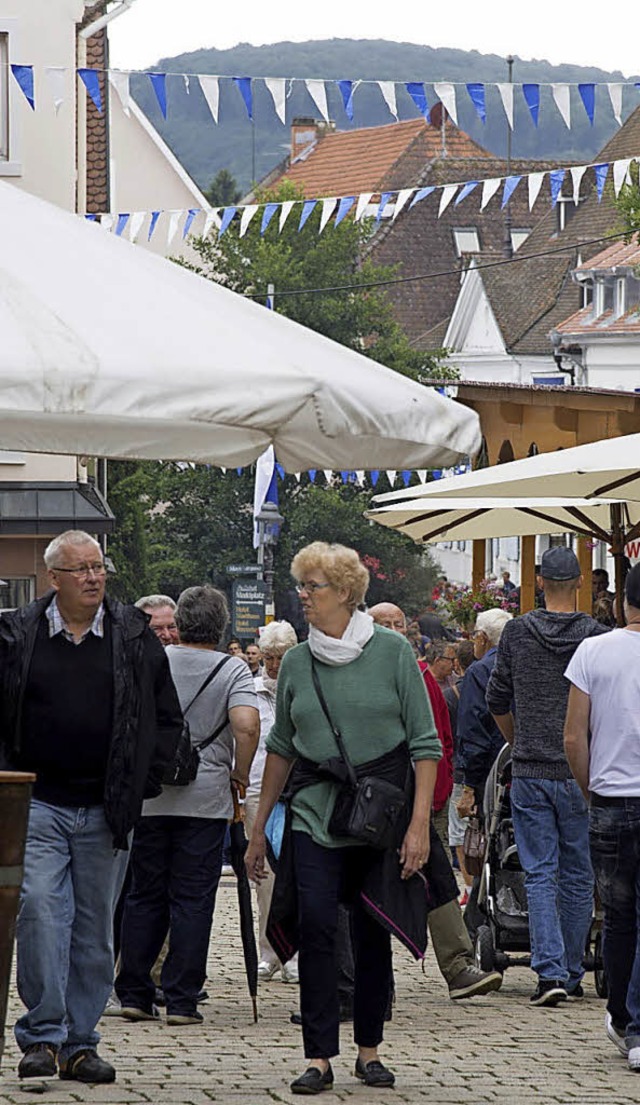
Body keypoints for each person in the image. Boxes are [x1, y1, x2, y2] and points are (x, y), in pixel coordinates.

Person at [245, 542, 442, 1094]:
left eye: (314, 587)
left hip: (379, 818)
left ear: (347, 593)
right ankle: (318, 1057)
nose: (303, 596)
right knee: (316, 926)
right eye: (301, 586)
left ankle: (369, 1050)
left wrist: (420, 825)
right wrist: (258, 827)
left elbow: (426, 746)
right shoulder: (298, 662)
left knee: (372, 929)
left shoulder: (393, 653)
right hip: (313, 813)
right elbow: (282, 745)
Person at [0, 530, 182, 1084]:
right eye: (79, 569)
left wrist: (145, 780)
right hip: (37, 803)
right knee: (39, 912)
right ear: (53, 578)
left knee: (95, 928)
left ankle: (81, 1043)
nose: (93, 577)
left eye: (98, 567)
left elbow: (166, 716)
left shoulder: (131, 633)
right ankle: (42, 1035)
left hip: (106, 806)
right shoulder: (15, 632)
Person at [115, 586, 259, 1026]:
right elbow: (247, 724)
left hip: (151, 798)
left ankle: (135, 992)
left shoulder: (154, 661)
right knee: (194, 899)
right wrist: (239, 769)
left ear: (181, 624)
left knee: (143, 895)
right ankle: (181, 998)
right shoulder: (232, 669)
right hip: (207, 800)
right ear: (220, 626)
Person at [487, 546, 607, 1007]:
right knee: (579, 873)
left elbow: (496, 699)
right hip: (581, 770)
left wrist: (518, 741)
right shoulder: (595, 636)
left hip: (532, 769)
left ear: (539, 582)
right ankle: (573, 970)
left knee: (539, 872)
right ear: (578, 584)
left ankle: (549, 972)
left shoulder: (517, 633)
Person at [369, 604, 502, 1000]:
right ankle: (364, 978)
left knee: (437, 875)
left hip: (414, 794)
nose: (395, 630)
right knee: (363, 882)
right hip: (366, 796)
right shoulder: (357, 670)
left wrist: (437, 794)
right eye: (385, 624)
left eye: (399, 623)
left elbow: (439, 739)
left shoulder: (419, 674)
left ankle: (459, 966)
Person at [564, 563, 640, 1068]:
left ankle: (623, 1016)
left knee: (617, 915)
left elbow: (573, 736)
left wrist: (591, 789)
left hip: (610, 798)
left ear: (621, 602)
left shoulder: (593, 650)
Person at [245, 620, 299, 984]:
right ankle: (269, 951)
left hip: (298, 793)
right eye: (269, 657)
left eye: (281, 657)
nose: (275, 664)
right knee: (263, 878)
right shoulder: (249, 691)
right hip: (256, 790)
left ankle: (294, 952)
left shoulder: (302, 688)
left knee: (297, 876)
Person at [446, 640, 476, 900]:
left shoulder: (451, 695)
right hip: (485, 770)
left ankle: (468, 886)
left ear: (457, 663)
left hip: (458, 770)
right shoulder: (489, 686)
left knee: (458, 832)